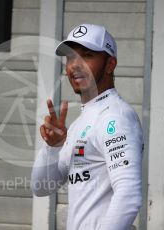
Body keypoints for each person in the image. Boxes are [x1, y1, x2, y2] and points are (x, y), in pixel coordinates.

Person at [31, 24, 143, 230]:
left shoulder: (115, 116)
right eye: (71, 57)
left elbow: (128, 194)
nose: (75, 65)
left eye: (87, 55)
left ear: (110, 64)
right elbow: (41, 187)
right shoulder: (80, 123)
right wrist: (52, 147)